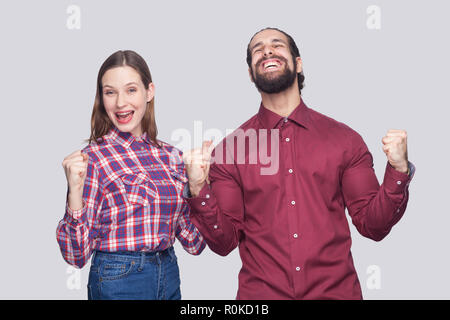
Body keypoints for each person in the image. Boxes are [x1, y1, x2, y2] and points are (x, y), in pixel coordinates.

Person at [182, 27, 415, 300]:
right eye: (258, 49)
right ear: (250, 73)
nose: (267, 51)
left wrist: (398, 170)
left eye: (277, 45)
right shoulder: (230, 151)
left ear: (298, 64)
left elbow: (373, 226)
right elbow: (224, 242)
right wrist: (199, 188)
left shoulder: (345, 140)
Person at [56, 50, 205, 300]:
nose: (120, 103)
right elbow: (76, 256)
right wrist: (74, 192)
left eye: (131, 90)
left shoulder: (172, 157)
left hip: (168, 273)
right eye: (110, 92)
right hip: (119, 279)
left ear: (149, 92)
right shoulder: (93, 158)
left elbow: (194, 242)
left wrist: (198, 186)